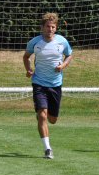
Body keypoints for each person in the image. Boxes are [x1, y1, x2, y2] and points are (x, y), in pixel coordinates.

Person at [23, 12, 73, 159]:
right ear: (42, 28)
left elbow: (69, 55)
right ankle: (47, 149)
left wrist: (63, 65)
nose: (50, 29)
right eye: (47, 27)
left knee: (52, 119)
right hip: (39, 83)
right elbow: (26, 56)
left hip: (56, 85)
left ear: (55, 28)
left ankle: (42, 116)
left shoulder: (62, 42)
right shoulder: (35, 42)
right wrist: (28, 70)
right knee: (42, 115)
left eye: (52, 27)